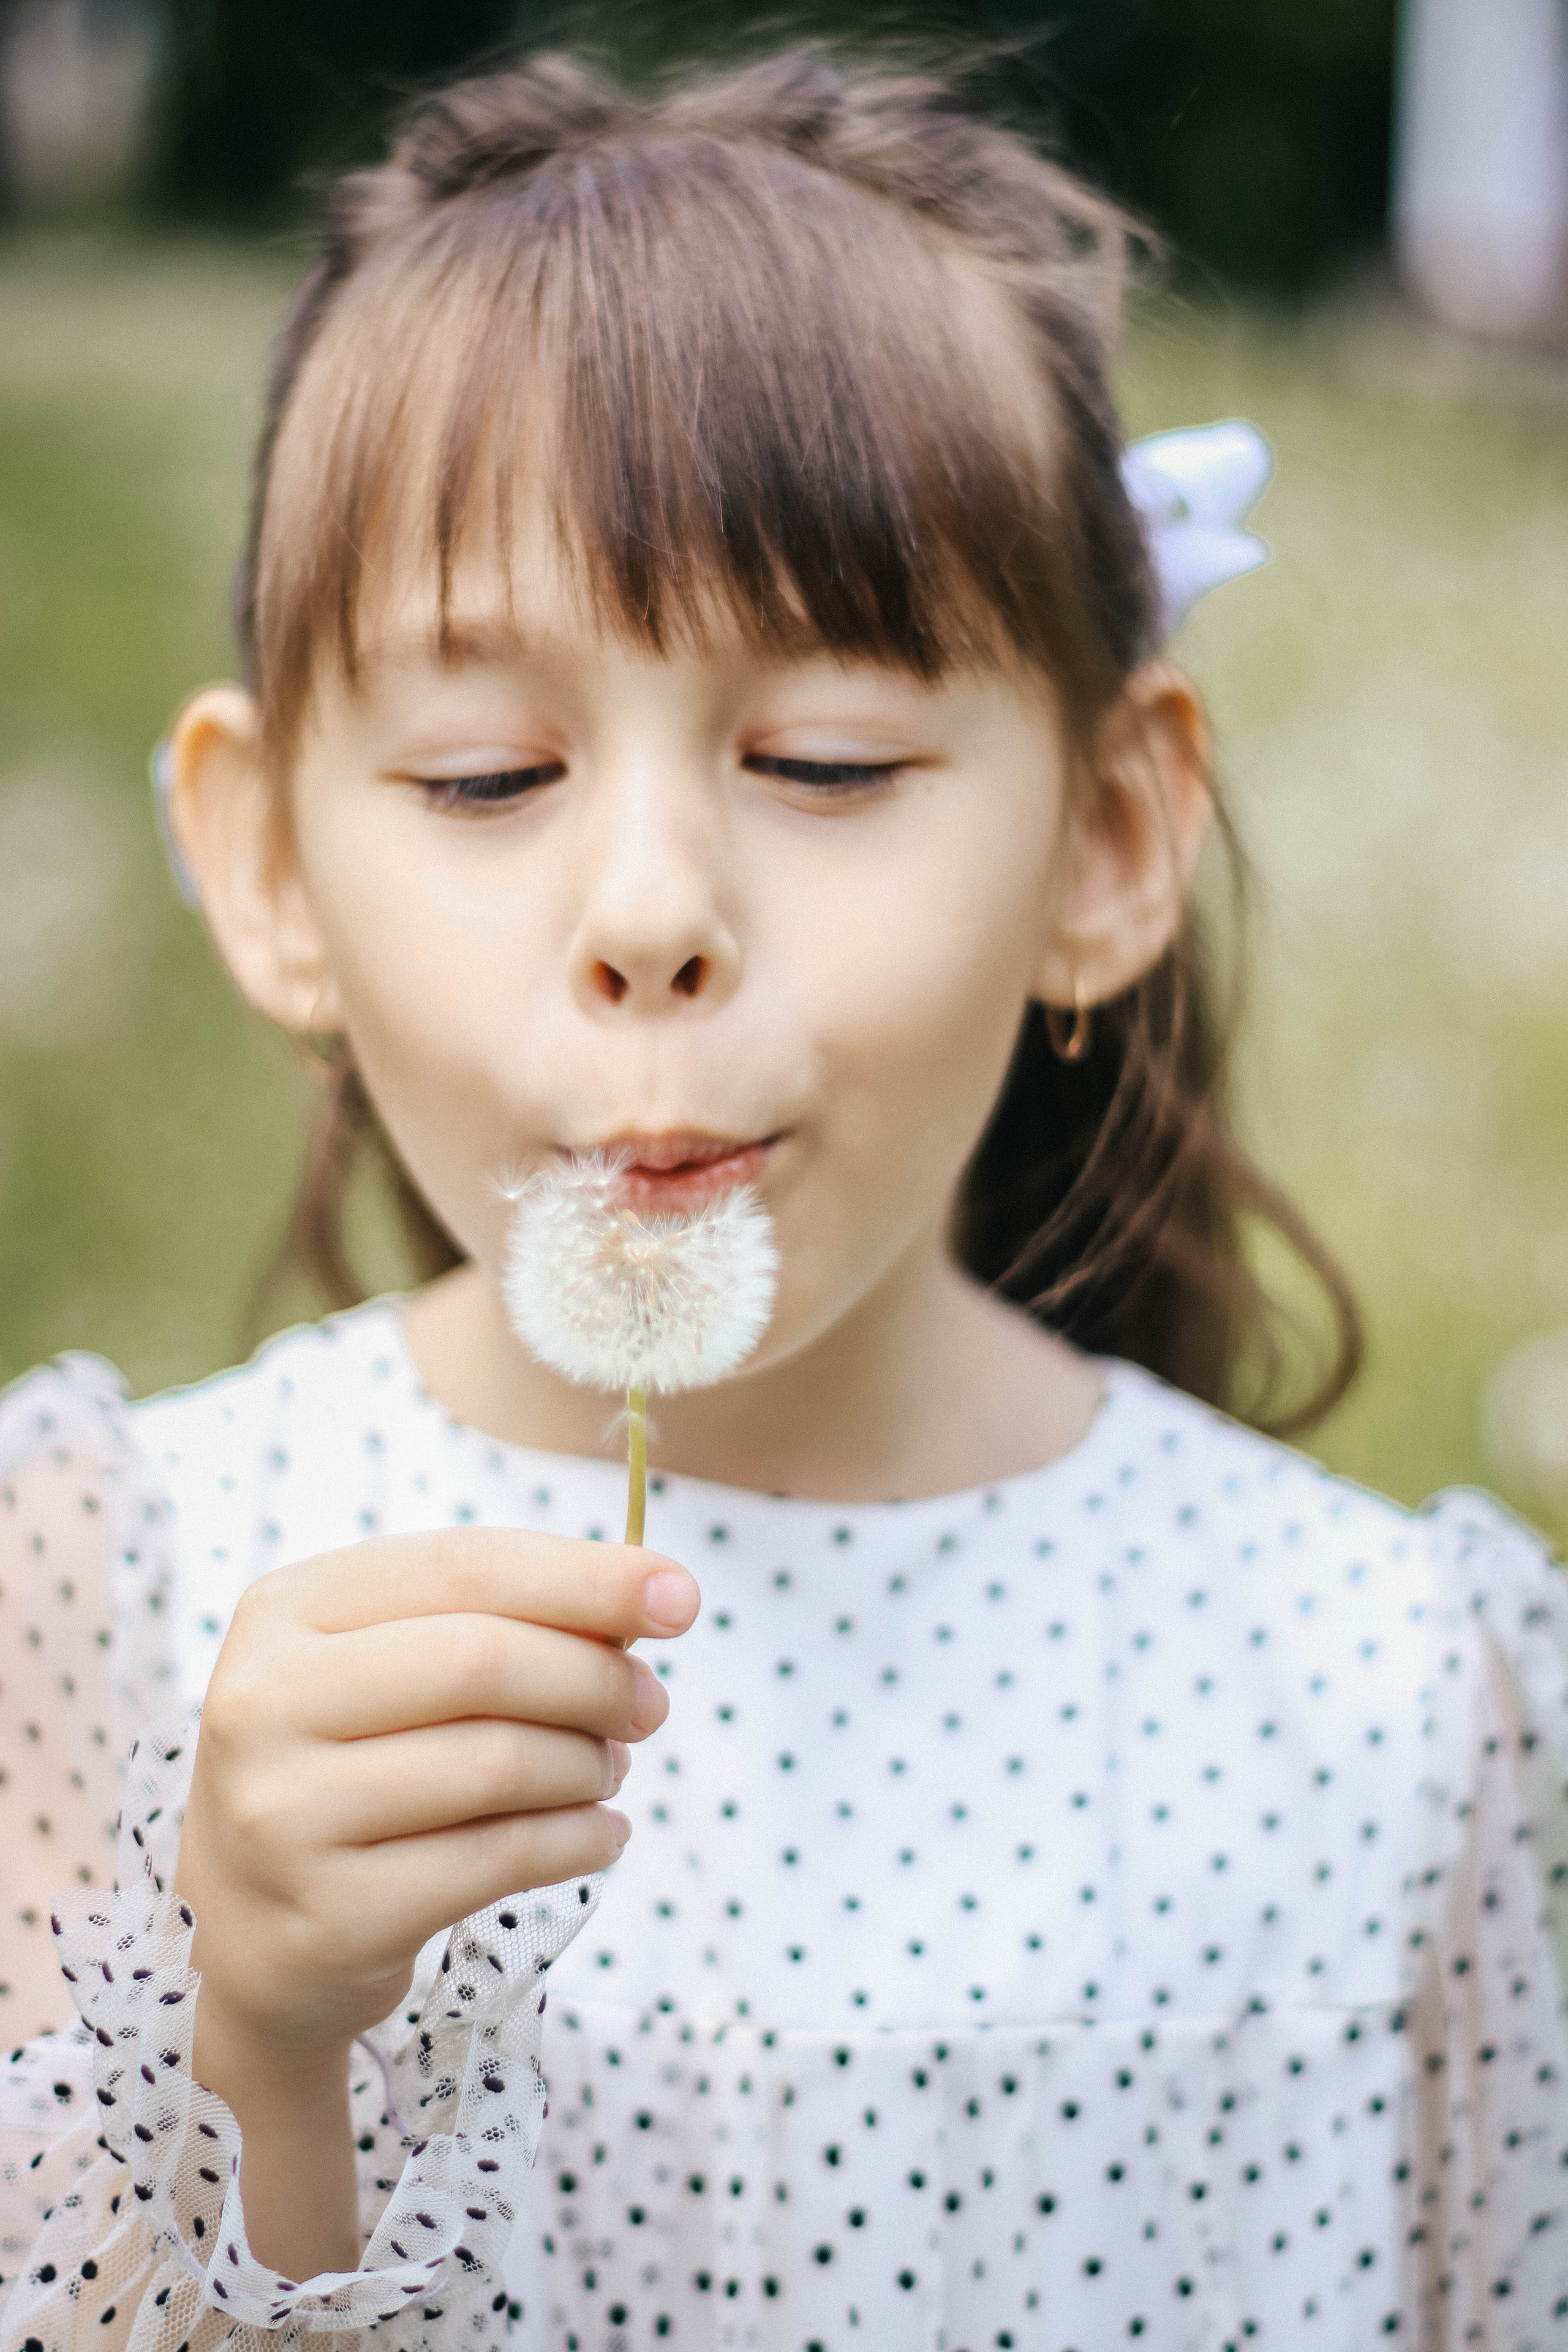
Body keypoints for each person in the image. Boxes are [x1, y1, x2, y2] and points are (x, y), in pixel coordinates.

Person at [1, 48, 1564, 2352]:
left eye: (826, 760)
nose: (651, 907)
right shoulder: (92, 1598)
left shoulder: (1417, 1706)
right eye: (486, 771)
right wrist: (256, 2039)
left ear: (1110, 839)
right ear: (263, 868)